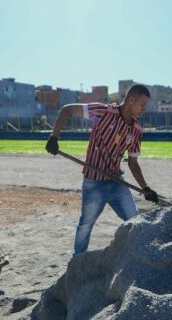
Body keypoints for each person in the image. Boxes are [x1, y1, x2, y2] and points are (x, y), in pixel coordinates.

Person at [45, 83, 160, 254]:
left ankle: (139, 256)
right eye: (142, 104)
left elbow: (133, 163)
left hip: (117, 183)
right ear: (131, 100)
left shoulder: (136, 130)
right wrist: (54, 137)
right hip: (93, 183)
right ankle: (78, 262)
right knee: (85, 225)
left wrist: (145, 188)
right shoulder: (103, 112)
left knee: (135, 221)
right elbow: (67, 110)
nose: (144, 109)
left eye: (146, 105)